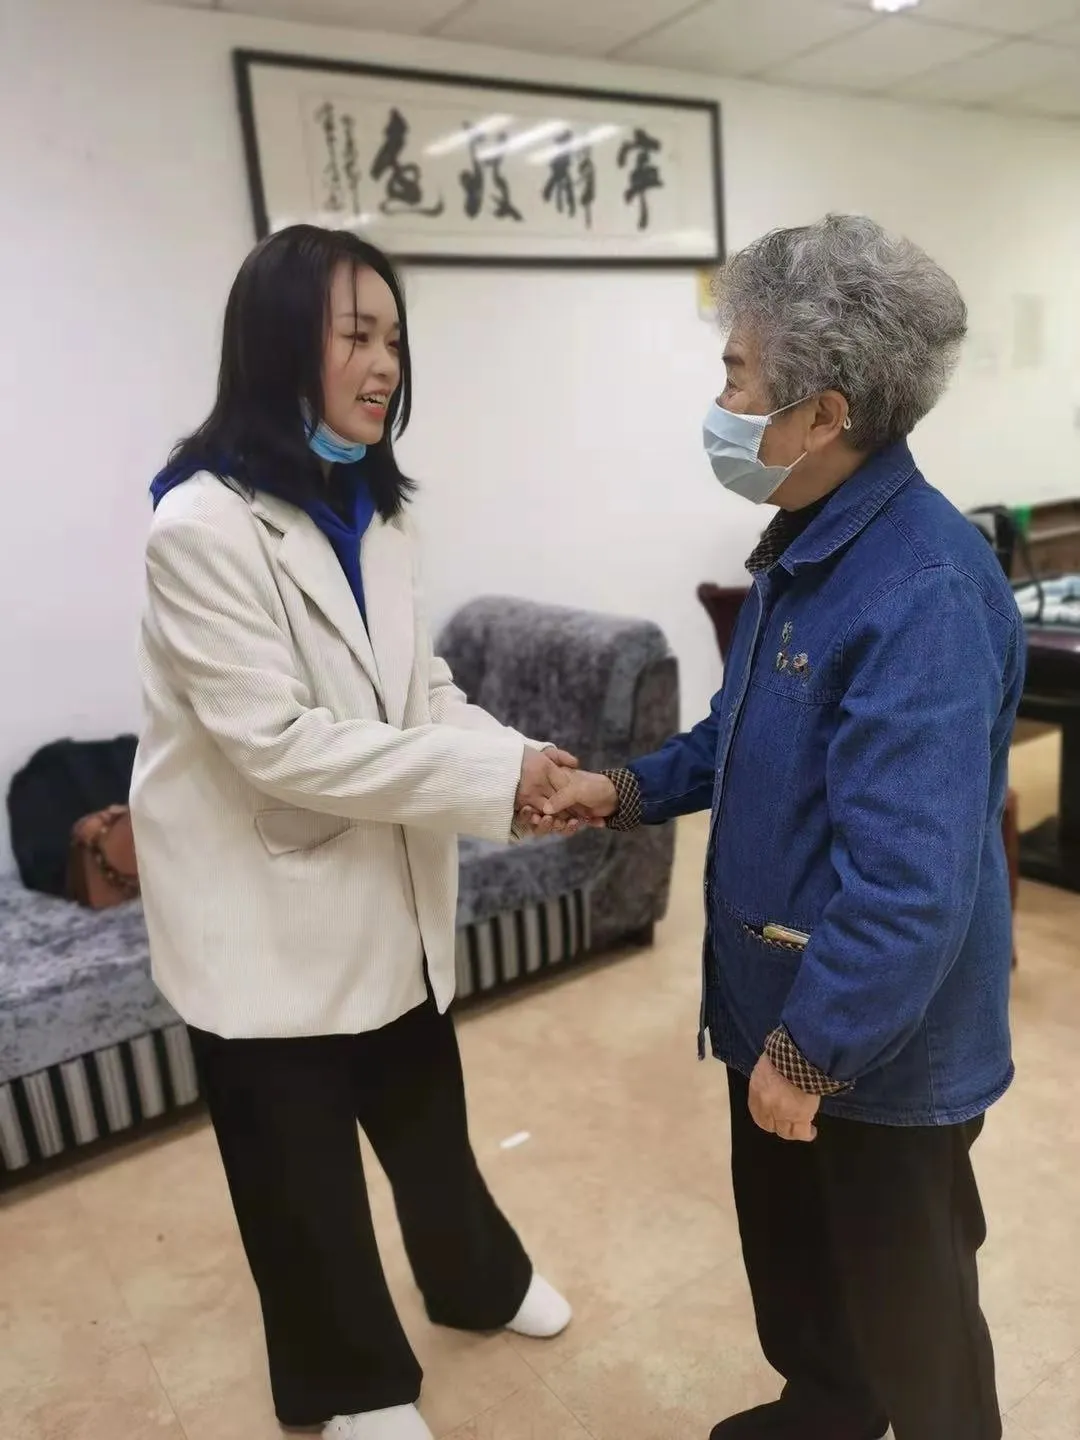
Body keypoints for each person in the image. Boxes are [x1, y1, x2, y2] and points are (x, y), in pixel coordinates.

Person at [546, 215, 1020, 1440]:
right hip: (783, 1002)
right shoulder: (806, 542)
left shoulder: (921, 591)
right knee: (803, 1274)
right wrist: (624, 790)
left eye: (737, 374)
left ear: (824, 413)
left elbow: (911, 885)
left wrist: (813, 1053)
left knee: (916, 1323)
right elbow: (744, 732)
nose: (721, 402)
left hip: (878, 1044)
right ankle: (825, 1410)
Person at [130, 225, 577, 1440]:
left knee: (428, 1116)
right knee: (299, 1169)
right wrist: (492, 782)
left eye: (393, 339)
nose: (384, 365)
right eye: (355, 336)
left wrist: (520, 764)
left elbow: (416, 690)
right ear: (279, 346)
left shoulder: (376, 512)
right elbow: (280, 744)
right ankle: (350, 1383)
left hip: (384, 884)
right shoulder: (199, 528)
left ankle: (476, 1281)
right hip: (257, 907)